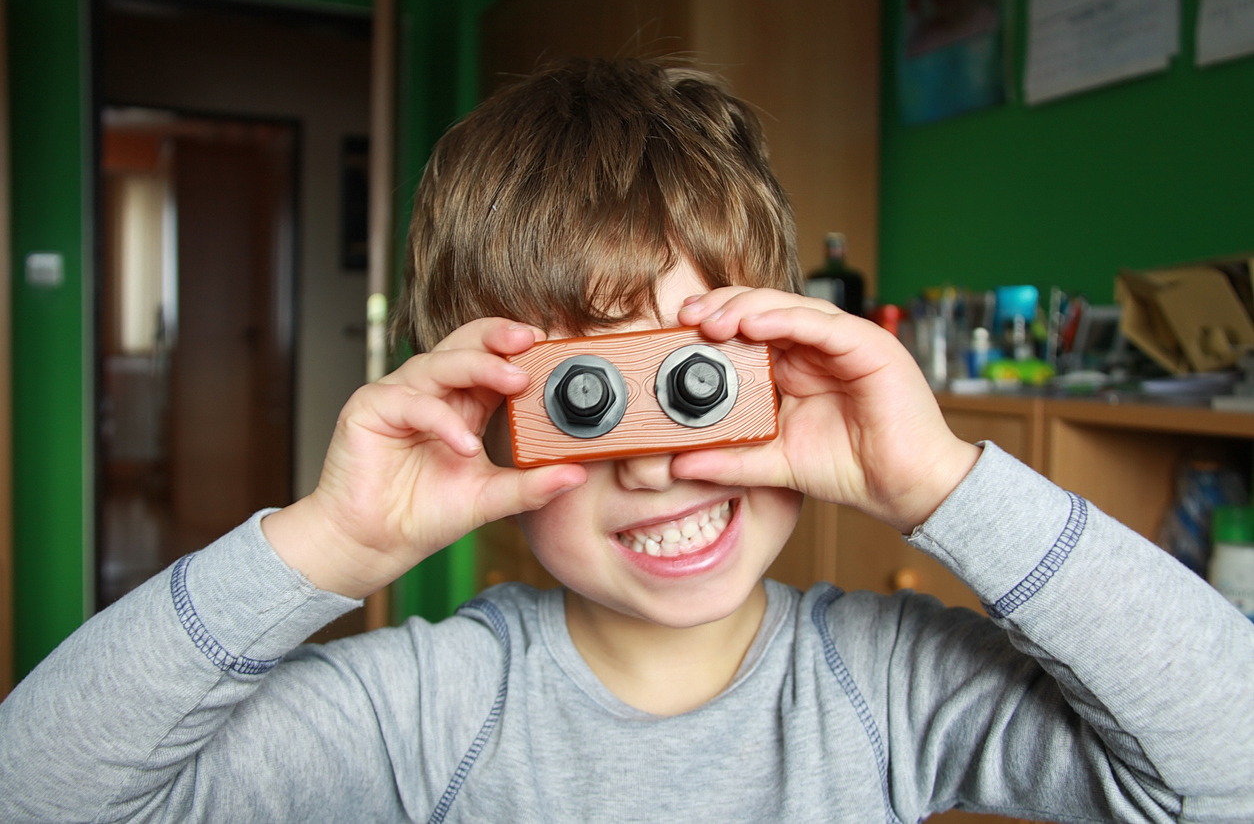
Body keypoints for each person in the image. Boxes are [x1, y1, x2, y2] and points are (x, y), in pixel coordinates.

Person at [2, 57, 1252, 824]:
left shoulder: (890, 684)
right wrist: (322, 544)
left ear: (781, 365)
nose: (651, 463)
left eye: (692, 384)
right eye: (580, 399)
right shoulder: (430, 708)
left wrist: (942, 484)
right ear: (489, 419)